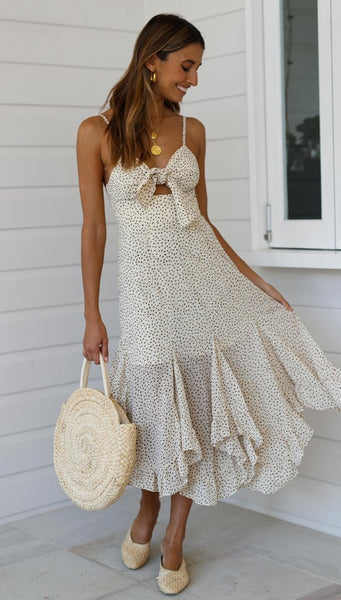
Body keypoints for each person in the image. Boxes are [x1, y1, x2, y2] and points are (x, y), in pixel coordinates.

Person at [76, 13, 341, 596]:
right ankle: (145, 510)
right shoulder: (96, 132)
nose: (193, 79)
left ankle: (173, 534)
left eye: (197, 67)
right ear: (153, 61)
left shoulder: (191, 131)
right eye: (186, 66)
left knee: (196, 406)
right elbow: (93, 229)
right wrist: (93, 313)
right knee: (152, 414)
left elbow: (203, 220)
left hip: (204, 289)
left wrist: (253, 279)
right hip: (146, 296)